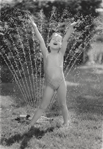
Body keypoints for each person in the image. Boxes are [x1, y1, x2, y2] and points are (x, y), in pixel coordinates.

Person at [28, 16, 77, 128]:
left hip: (61, 82)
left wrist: (70, 28)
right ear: (49, 44)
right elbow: (40, 40)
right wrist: (34, 26)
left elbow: (66, 39)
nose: (56, 40)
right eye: (53, 39)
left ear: (60, 46)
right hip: (49, 84)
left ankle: (66, 123)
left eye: (58, 40)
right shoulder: (46, 54)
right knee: (43, 107)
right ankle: (30, 124)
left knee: (63, 104)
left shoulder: (61, 54)